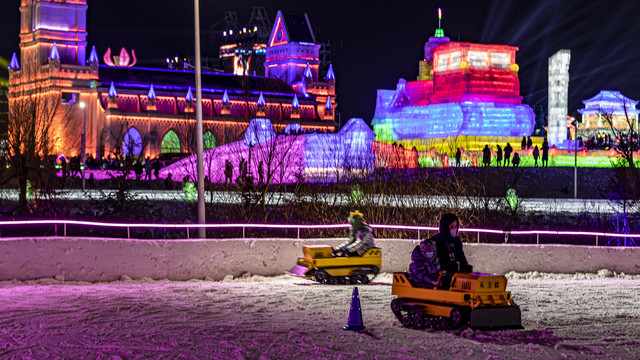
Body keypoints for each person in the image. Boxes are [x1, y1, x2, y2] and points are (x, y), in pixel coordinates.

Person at [431, 213, 473, 289]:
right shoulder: (436, 240)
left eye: (456, 226)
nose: (454, 229)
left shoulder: (457, 241)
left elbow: (461, 257)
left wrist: (465, 267)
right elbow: (433, 263)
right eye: (451, 226)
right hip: (442, 278)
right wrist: (447, 266)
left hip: (455, 277)